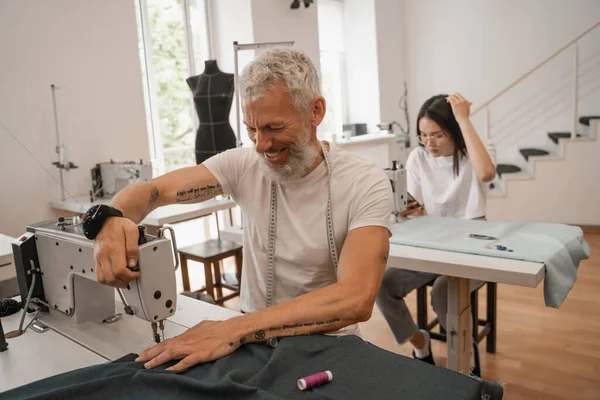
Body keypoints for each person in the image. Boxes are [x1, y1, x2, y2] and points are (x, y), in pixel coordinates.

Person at [92, 49, 393, 371]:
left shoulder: (365, 183)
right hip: (253, 341)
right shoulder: (243, 164)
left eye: (274, 127)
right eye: (251, 129)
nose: (261, 145)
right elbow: (151, 190)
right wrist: (109, 217)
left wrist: (231, 329)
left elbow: (356, 298)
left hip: (329, 341)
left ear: (316, 111)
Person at [376, 93, 496, 372]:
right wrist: (407, 208)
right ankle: (420, 342)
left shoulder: (477, 151)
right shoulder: (418, 156)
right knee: (383, 283)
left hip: (473, 243)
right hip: (432, 240)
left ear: (454, 130)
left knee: (444, 293)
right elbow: (417, 206)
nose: (428, 143)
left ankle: (465, 356)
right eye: (423, 135)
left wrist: (463, 118)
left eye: (437, 135)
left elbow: (487, 173)